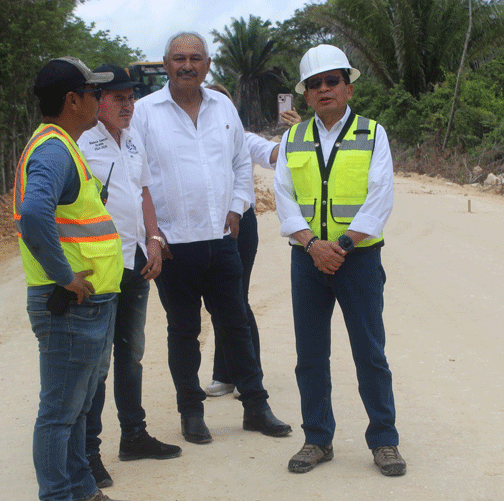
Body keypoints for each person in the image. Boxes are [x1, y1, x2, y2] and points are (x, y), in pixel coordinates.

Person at [133, 31, 291, 444]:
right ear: (166, 64)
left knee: (235, 323)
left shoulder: (223, 107)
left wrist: (236, 208)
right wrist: (152, 234)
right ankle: (191, 413)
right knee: (184, 331)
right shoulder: (145, 113)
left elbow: (240, 162)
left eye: (195, 58)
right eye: (179, 58)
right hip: (173, 245)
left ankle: (256, 407)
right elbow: (137, 178)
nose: (187, 65)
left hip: (221, 241)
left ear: (207, 64)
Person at [274, 44, 405, 477]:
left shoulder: (373, 134)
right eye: (315, 84)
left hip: (358, 260)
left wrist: (342, 245)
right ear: (306, 94)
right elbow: (284, 197)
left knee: (370, 353)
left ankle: (384, 440)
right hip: (307, 260)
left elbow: (380, 195)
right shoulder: (292, 138)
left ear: (349, 87)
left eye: (333, 81)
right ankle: (317, 439)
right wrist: (313, 244)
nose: (324, 88)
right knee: (310, 355)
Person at [15, 56, 135, 501]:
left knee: (79, 408)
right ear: (72, 100)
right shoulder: (53, 151)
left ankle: (84, 494)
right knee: (60, 413)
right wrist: (64, 275)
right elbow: (34, 214)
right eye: (92, 93)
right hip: (71, 305)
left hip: (89, 303)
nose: (98, 99)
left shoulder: (64, 145)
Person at [77, 64, 181, 488]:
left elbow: (143, 192)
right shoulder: (81, 142)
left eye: (131, 97)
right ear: (97, 100)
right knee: (96, 362)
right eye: (118, 98)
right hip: (100, 265)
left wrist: (154, 239)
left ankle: (134, 435)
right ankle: (88, 452)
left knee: (131, 352)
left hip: (135, 259)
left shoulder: (133, 138)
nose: (128, 105)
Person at [202, 83, 300, 399]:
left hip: (240, 226)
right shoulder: (192, 141)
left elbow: (276, 155)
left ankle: (248, 375)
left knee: (235, 299)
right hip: (203, 229)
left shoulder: (244, 139)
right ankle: (226, 374)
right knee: (216, 302)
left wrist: (295, 133)